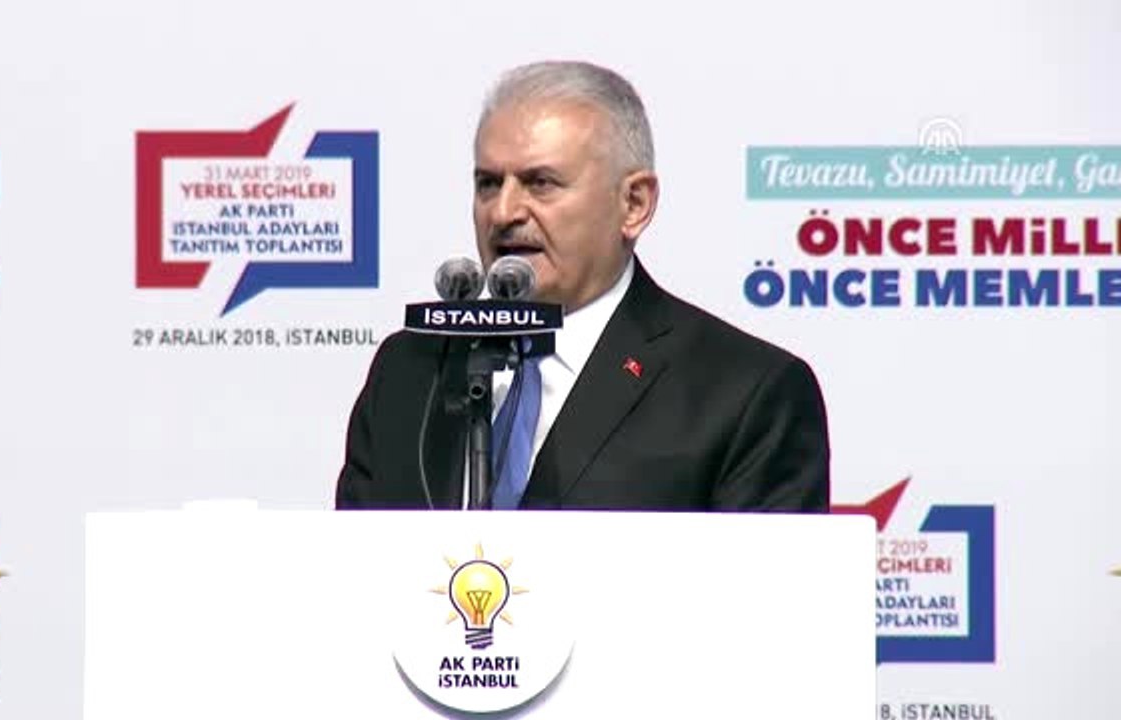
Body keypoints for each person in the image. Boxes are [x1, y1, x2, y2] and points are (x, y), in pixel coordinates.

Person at [336, 60, 829, 512]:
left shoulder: (746, 392)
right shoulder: (411, 370)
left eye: (540, 183)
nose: (503, 212)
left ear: (634, 204)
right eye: (488, 183)